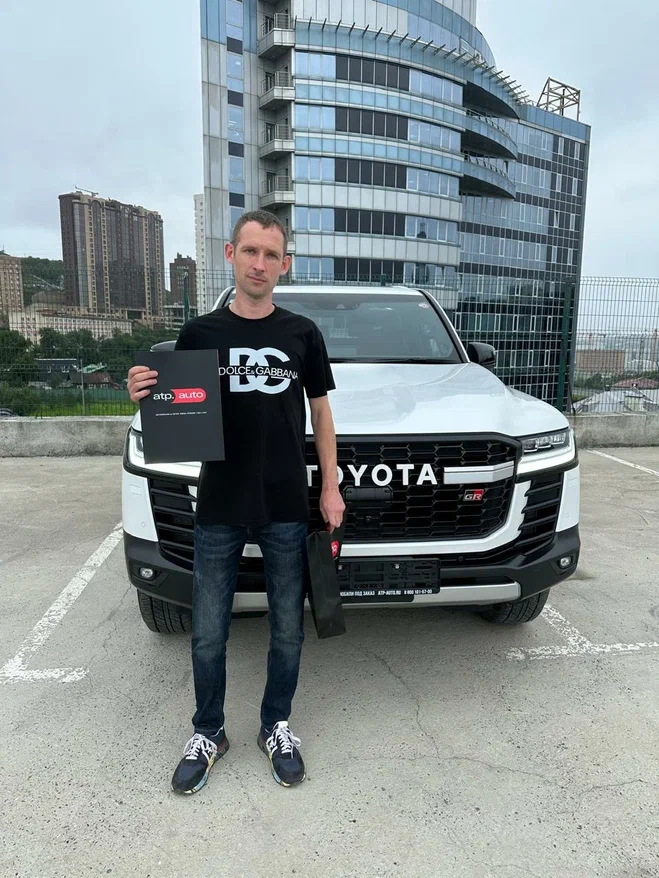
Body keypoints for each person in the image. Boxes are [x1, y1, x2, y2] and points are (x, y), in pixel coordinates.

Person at [127, 210, 345, 794]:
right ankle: (209, 731)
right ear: (230, 254)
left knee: (287, 628)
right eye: (250, 251)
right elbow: (174, 406)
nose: (259, 264)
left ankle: (276, 725)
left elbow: (322, 413)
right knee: (207, 630)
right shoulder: (200, 334)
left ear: (285, 264)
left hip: (285, 501)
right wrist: (142, 394)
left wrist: (329, 485)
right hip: (219, 502)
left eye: (271, 255)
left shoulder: (302, 333)